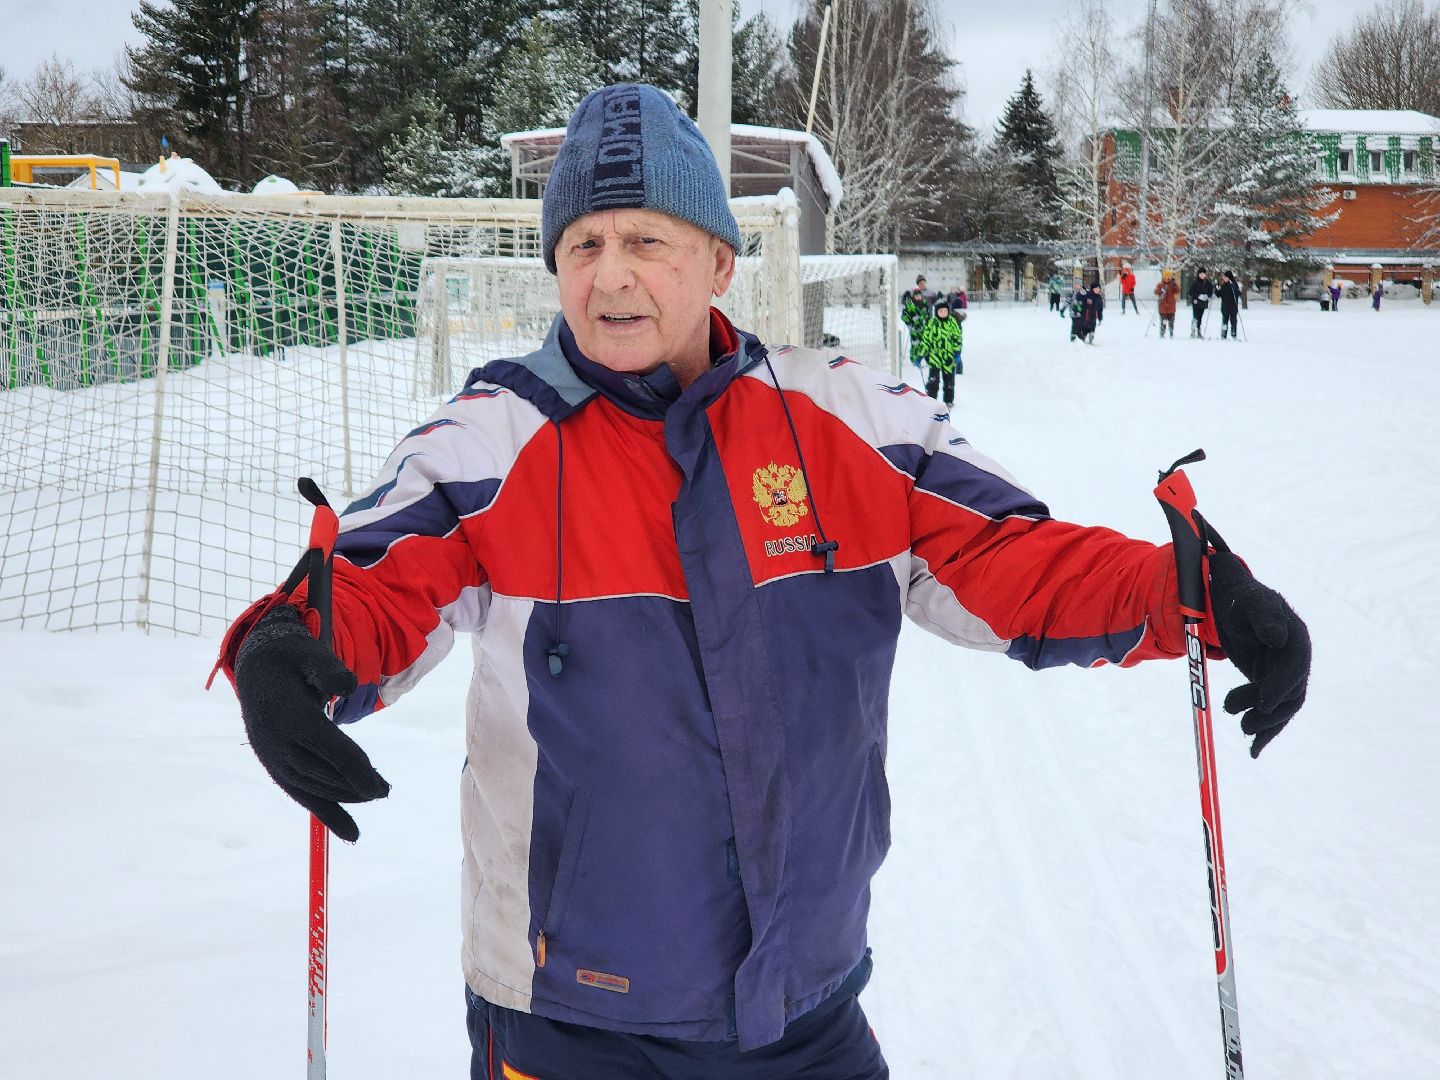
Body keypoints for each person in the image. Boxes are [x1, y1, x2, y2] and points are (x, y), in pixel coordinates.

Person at [216, 82, 1310, 1080]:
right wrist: (283, 648)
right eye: (583, 243)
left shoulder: (847, 417)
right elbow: (369, 579)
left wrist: (1196, 593)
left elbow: (1014, 560)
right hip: (567, 1024)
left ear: (720, 261)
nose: (610, 275)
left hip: (804, 1008)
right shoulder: (490, 439)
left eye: (645, 238)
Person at [919, 296, 963, 407]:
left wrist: (957, 352)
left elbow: (957, 338)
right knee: (933, 380)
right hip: (935, 356)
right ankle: (931, 400)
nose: (943, 313)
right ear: (936, 312)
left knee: (949, 381)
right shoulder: (932, 323)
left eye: (945, 311)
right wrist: (921, 354)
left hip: (949, 356)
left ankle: (948, 400)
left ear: (948, 311)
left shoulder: (952, 322)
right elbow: (926, 340)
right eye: (940, 311)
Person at [902, 277, 932, 369]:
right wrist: (909, 323)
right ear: (913, 296)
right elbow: (904, 316)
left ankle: (928, 360)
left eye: (920, 295)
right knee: (916, 344)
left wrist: (929, 321)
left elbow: (928, 313)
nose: (918, 297)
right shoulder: (910, 304)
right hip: (914, 329)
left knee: (926, 343)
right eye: (916, 295)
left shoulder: (925, 303)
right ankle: (915, 360)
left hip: (924, 328)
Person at [1188, 268, 1214, 338]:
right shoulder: (1195, 282)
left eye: (1204, 274)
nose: (1203, 275)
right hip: (1196, 302)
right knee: (1195, 317)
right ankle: (1193, 331)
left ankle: (1199, 331)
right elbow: (1190, 292)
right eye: (1201, 274)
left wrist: (1207, 295)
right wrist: (1198, 296)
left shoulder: (1207, 282)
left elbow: (1211, 291)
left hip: (1203, 303)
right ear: (1199, 274)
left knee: (1200, 317)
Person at [1154, 269, 1180, 338]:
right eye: (1166, 277)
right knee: (1163, 322)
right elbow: (1156, 292)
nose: (1167, 278)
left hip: (1171, 307)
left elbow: (1177, 291)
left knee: (1171, 322)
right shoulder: (1160, 284)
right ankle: (1162, 333)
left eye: (1169, 277)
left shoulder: (1172, 285)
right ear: (1163, 277)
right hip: (1163, 308)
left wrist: (1174, 284)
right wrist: (1160, 289)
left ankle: (1171, 333)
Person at [1216, 270, 1242, 340]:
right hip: (1225, 307)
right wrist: (1216, 289)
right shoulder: (1223, 285)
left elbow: (1238, 293)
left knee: (1233, 321)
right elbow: (1219, 294)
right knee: (1224, 321)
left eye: (1226, 277)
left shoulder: (1233, 285)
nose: (1224, 278)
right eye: (1224, 277)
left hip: (1233, 307)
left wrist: (1236, 290)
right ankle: (1223, 335)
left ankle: (1233, 334)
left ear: (1229, 278)